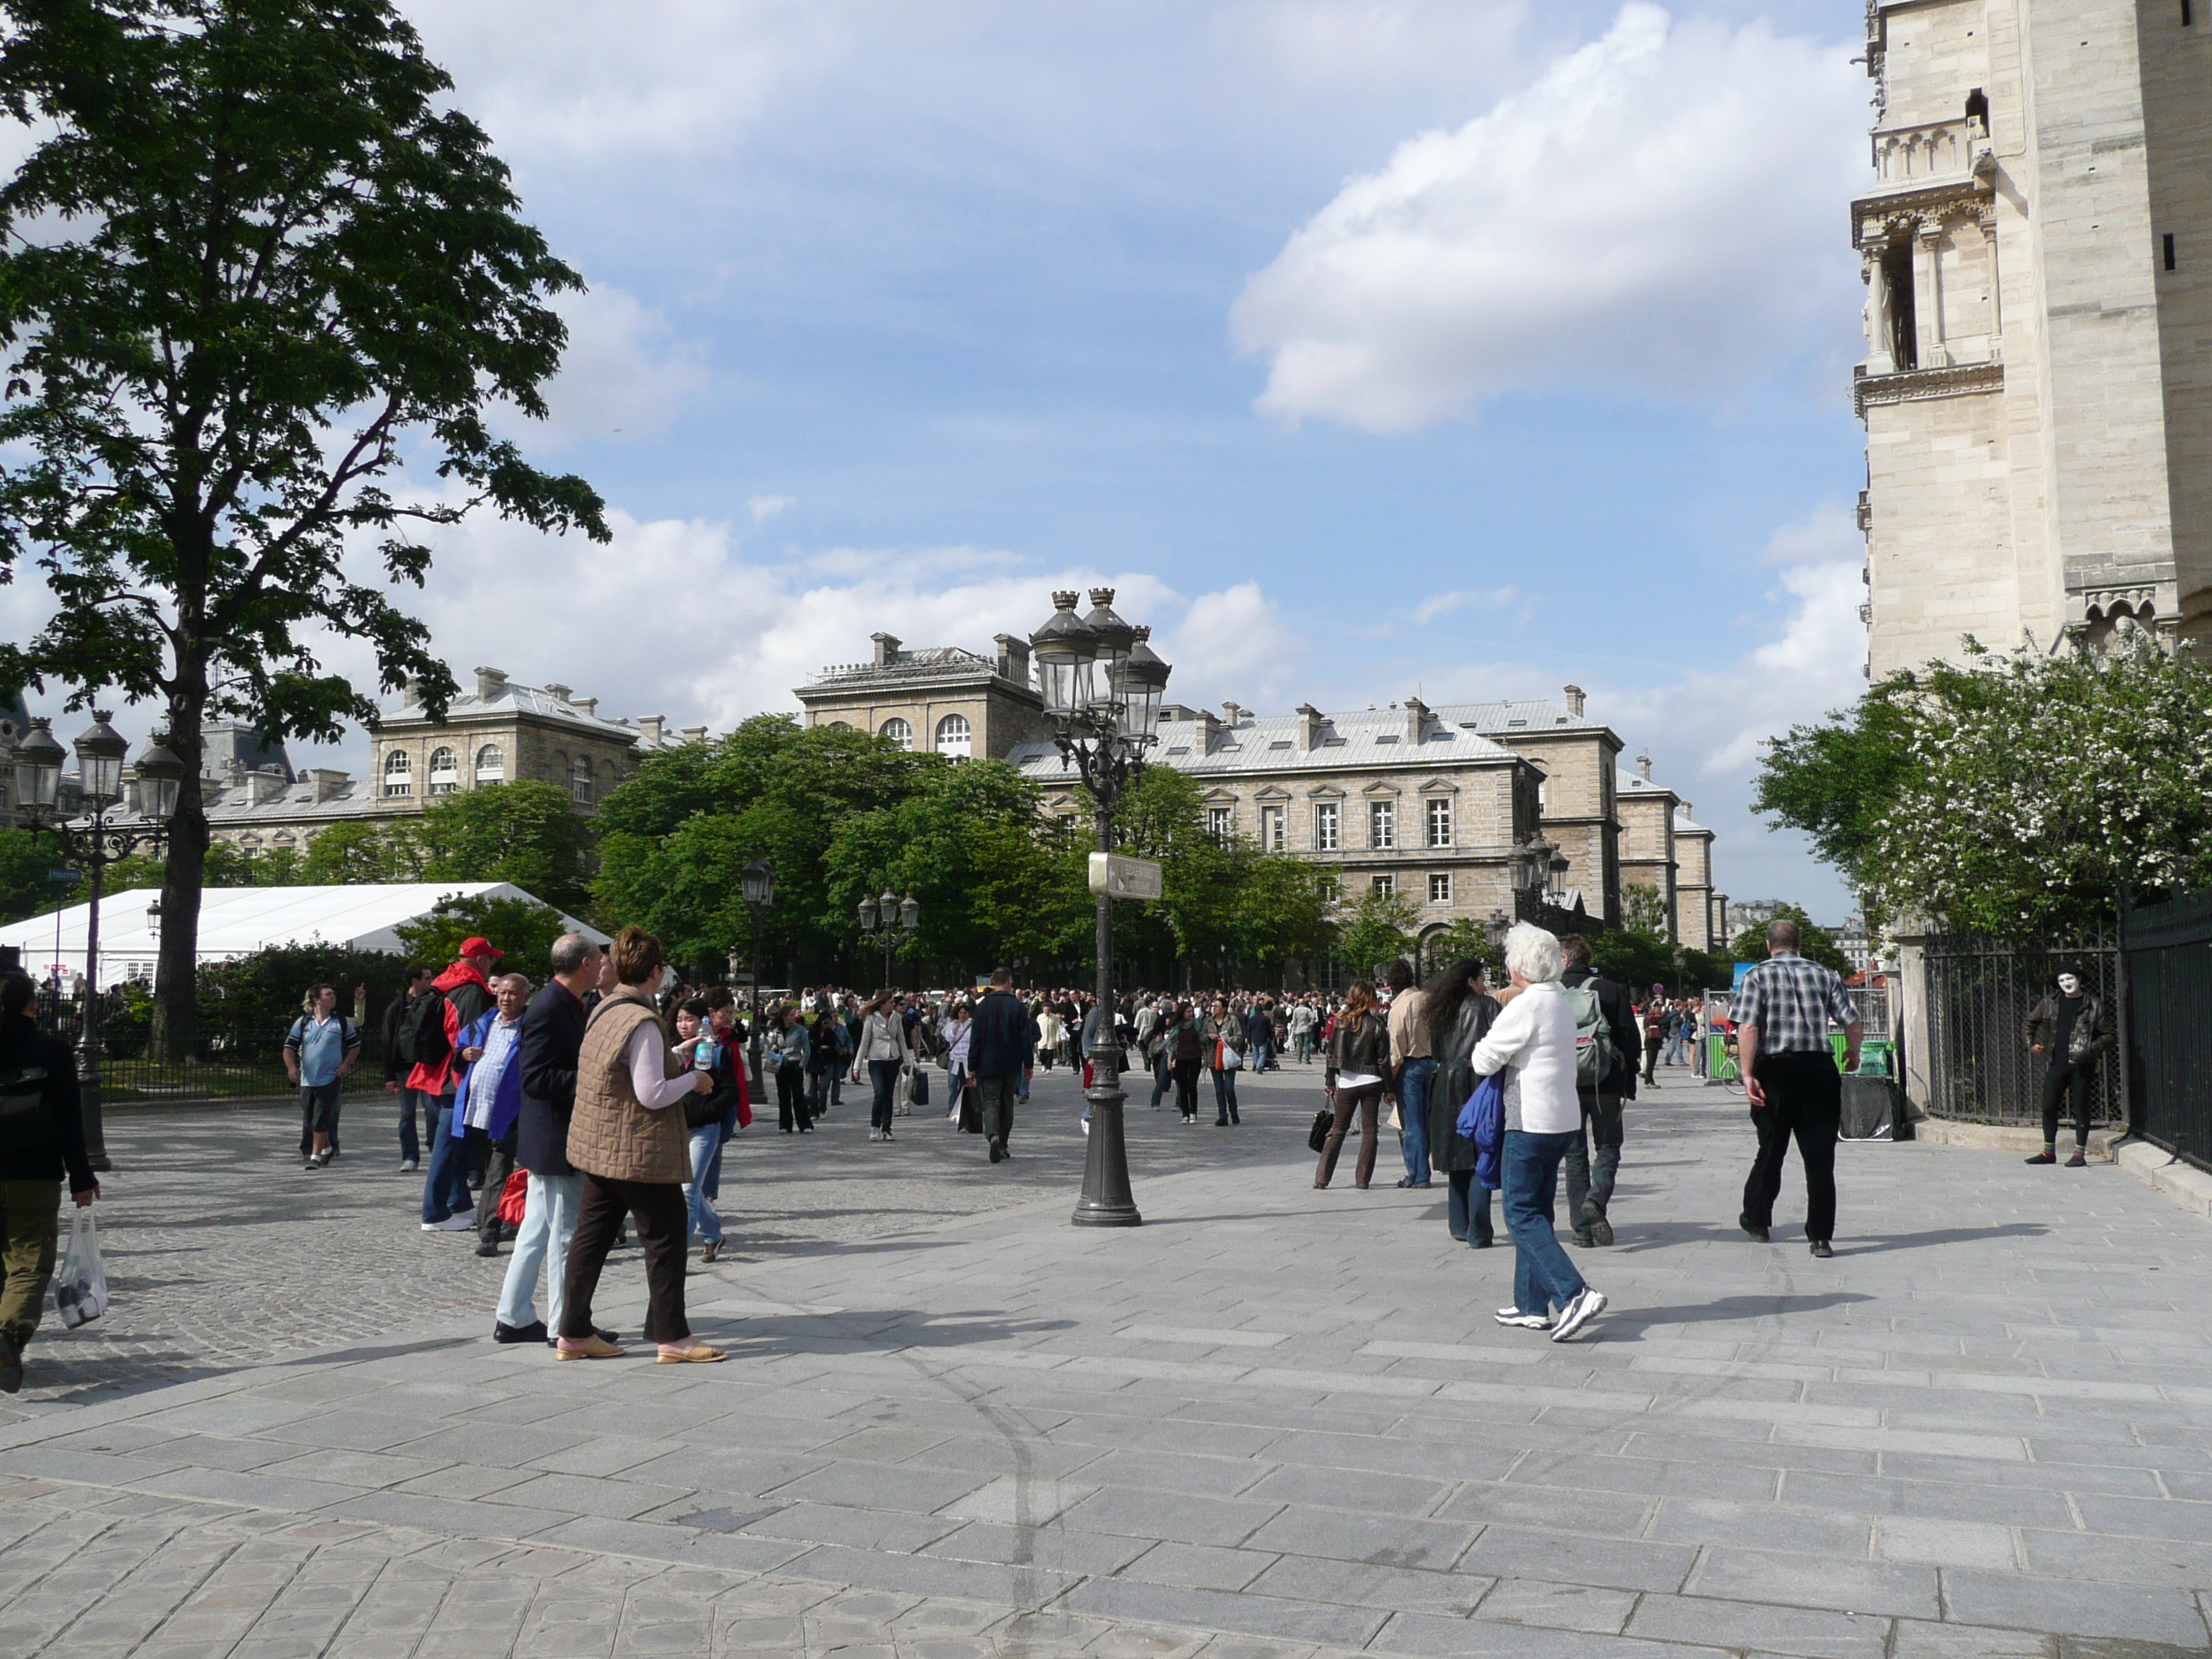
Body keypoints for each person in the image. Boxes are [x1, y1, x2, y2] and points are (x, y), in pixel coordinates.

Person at [555, 925, 721, 1364]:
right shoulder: (643, 1020)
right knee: (666, 1237)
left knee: (590, 1239)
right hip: (637, 1149)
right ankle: (672, 1336)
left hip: (599, 1144)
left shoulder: (605, 1008)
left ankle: (572, 1332)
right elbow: (651, 1093)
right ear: (655, 972)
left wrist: (675, 1059)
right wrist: (693, 1079)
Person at [1476, 925, 1607, 1341]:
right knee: (1538, 1209)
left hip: (1529, 1120)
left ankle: (1574, 1293)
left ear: (1518, 964)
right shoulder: (1560, 1001)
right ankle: (1531, 1305)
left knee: (1519, 1212)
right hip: (1561, 1120)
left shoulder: (1526, 1003)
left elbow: (1484, 1059)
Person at [494, 934, 610, 1346]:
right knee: (566, 1234)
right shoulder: (548, 1006)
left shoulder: (562, 1003)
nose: (602, 965)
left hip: (549, 1138)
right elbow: (536, 1078)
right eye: (599, 959)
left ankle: (514, 1315)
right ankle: (567, 1324)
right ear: (583, 965)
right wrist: (590, 1079)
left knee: (536, 1230)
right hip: (555, 1139)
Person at [1735, 917, 1861, 1257]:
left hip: (1775, 1070)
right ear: (1800, 944)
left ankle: (1758, 1219)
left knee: (1771, 1150)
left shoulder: (1757, 975)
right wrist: (1853, 1051)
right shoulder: (1825, 975)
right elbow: (1852, 1019)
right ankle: (1820, 1236)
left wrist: (1748, 1074)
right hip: (1818, 1068)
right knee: (1820, 1158)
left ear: (1768, 945)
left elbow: (1748, 1026)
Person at [0, 971, 99, 1393]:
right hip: (34, 1173)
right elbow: (69, 1120)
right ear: (33, 1005)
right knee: (28, 1264)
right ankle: (8, 1335)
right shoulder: (53, 1051)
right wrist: (82, 1175)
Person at [408, 938, 502, 1232]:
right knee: (448, 1149)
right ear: (479, 960)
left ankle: (459, 1206)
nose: (491, 965)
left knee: (452, 1146)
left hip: (434, 1075)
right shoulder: (472, 991)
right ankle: (433, 1214)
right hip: (456, 1079)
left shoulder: (443, 984)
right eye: (489, 959)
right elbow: (471, 1037)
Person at [1559, 935, 1638, 1248]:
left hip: (1565, 1085)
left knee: (1574, 1154)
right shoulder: (1611, 990)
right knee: (1608, 1147)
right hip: (1606, 1083)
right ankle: (1597, 1197)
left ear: (1564, 960)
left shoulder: (1551, 991)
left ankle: (1581, 1231)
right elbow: (1631, 1040)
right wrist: (1629, 1080)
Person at [451, 974, 530, 1259]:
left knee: (499, 1171)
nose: (506, 998)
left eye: (514, 994)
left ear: (525, 998)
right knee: (492, 1171)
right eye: (503, 993)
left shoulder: (530, 1029)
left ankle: (489, 1234)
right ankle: (508, 1220)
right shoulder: (484, 1023)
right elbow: (457, 1056)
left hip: (510, 1112)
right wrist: (463, 1056)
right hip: (477, 1111)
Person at [1426, 958, 1502, 1246]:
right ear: (1471, 981)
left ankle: (1459, 1223)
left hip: (1445, 1083)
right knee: (1482, 1155)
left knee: (1456, 1156)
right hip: (1478, 1082)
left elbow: (1435, 1051)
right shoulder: (1487, 1006)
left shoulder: (1440, 1009)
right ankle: (1479, 1230)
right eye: (1482, 979)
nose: (1484, 985)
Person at [2023, 966, 2113, 1167]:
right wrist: (2031, 1043)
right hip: (2057, 1062)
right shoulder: (2050, 1002)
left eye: (2070, 978)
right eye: (2062, 980)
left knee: (2080, 1108)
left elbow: (2109, 1036)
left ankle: (2079, 1154)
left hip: (2082, 1064)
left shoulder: (2094, 1005)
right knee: (2048, 1106)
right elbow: (2030, 1020)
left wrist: (2090, 1048)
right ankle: (2048, 1152)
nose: (2067, 983)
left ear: (2079, 979)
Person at [1316, 981, 1390, 1189]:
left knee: (1338, 1129)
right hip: (1373, 1081)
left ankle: (1322, 1178)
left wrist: (1330, 1081)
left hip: (1347, 1081)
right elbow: (1384, 1061)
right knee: (1370, 1131)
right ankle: (1363, 1180)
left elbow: (1331, 1054)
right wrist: (1389, 1089)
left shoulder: (1340, 1023)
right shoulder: (1377, 1025)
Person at [284, 984, 361, 1170]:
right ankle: (327, 1148)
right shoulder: (303, 1022)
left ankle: (315, 1157)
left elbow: (355, 1046)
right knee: (310, 1119)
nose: (333, 997)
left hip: (330, 1078)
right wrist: (292, 1068)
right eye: (328, 994)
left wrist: (344, 1065)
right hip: (308, 1079)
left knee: (321, 1118)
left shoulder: (340, 1022)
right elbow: (289, 1048)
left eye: (333, 993)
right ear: (316, 1000)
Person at [968, 968, 1028, 1163]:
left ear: (994, 982)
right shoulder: (1017, 1006)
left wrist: (972, 1065)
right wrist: (1029, 1064)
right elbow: (1025, 1038)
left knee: (991, 1102)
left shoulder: (982, 1006)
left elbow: (975, 1039)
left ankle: (992, 1136)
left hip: (988, 1062)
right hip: (1011, 1063)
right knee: (1007, 1102)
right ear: (1009, 981)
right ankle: (1003, 1144)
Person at [1385, 959, 1434, 1190]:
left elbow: (1396, 1052)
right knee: (1428, 1121)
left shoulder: (1399, 1008)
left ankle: (1418, 1174)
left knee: (1412, 1124)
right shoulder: (1428, 999)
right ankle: (1425, 1168)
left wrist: (1389, 1084)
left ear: (1391, 984)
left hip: (1411, 1068)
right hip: (1433, 1065)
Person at [381, 964, 433, 1172]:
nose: (431, 982)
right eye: (427, 978)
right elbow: (387, 1040)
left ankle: (435, 1149)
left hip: (427, 1065)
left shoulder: (433, 1001)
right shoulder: (397, 1007)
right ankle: (410, 1156)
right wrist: (389, 1075)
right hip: (405, 1067)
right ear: (415, 981)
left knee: (432, 1111)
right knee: (407, 1112)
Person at [858, 989, 912, 1142]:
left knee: (889, 1095)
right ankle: (875, 1126)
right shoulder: (871, 1018)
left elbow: (901, 1040)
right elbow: (864, 1042)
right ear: (882, 1003)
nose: (893, 1005)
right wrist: (857, 1066)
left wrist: (907, 1062)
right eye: (890, 1002)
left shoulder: (896, 1018)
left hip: (893, 1059)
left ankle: (887, 1129)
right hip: (876, 1059)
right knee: (880, 1093)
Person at [1204, 997, 1244, 1125]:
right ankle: (1223, 1116)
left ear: (1224, 1008)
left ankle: (1234, 1112)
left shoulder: (1232, 1020)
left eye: (1216, 1006)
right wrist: (1208, 1036)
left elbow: (1239, 1037)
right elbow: (1201, 1036)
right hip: (1213, 1058)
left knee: (1229, 1088)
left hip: (1228, 1058)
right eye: (1213, 1006)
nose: (1213, 1008)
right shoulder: (1208, 1021)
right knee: (1219, 1089)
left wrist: (1228, 1040)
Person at [773, 1006, 812, 1133]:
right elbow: (774, 1047)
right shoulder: (778, 1031)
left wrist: (802, 1065)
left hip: (794, 1063)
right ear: (784, 1017)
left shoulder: (800, 1030)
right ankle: (785, 1125)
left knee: (798, 1096)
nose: (793, 1017)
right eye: (791, 1015)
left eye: (794, 1014)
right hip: (780, 1064)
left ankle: (805, 1125)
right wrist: (774, 1047)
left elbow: (807, 1049)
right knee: (783, 1097)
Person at [1168, 1001, 1204, 1123]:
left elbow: (1202, 1041)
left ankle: (1193, 1112)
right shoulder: (1177, 1027)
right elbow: (1172, 1046)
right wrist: (1170, 1060)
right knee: (1182, 1087)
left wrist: (1206, 1057)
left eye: (1192, 1012)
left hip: (1195, 1057)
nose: (1190, 1014)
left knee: (1192, 1085)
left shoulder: (1197, 1025)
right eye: (1188, 1012)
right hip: (1181, 1058)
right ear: (1182, 1013)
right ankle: (1185, 1114)